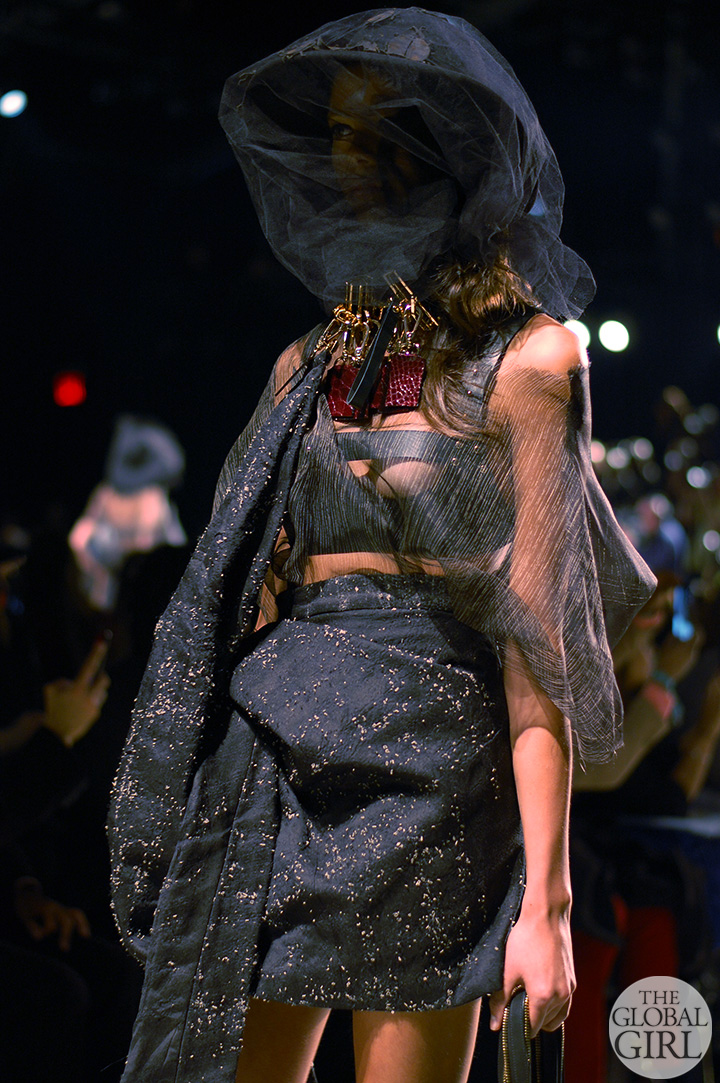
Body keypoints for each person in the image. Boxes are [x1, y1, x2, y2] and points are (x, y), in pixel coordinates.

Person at [108, 10, 655, 1083]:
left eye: (372, 136)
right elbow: (249, 596)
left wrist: (547, 903)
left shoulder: (532, 362)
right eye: (337, 136)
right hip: (271, 775)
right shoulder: (305, 366)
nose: (340, 162)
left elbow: (536, 643)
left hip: (435, 791)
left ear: (440, 156)